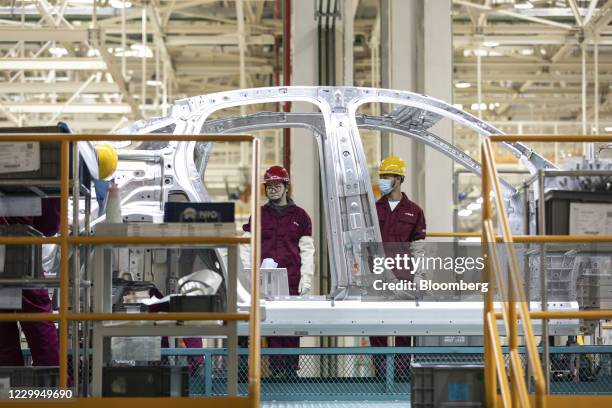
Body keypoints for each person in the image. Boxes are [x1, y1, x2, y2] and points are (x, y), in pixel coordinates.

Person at [241, 165, 314, 377]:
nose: (272, 190)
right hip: (267, 281)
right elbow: (247, 245)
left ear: (286, 186)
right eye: (269, 186)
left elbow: (307, 249)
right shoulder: (259, 216)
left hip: (291, 280)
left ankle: (291, 370)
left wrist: (306, 276)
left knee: (291, 326)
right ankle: (276, 370)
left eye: (276, 185)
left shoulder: (301, 216)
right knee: (271, 325)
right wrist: (247, 275)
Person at [370, 156, 426, 380]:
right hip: (377, 277)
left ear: (400, 178)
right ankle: (381, 376)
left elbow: (419, 247)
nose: (383, 180)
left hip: (404, 277)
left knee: (404, 327)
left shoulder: (414, 211)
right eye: (382, 176)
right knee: (377, 328)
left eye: (388, 176)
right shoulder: (373, 209)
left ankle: (402, 377)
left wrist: (420, 276)